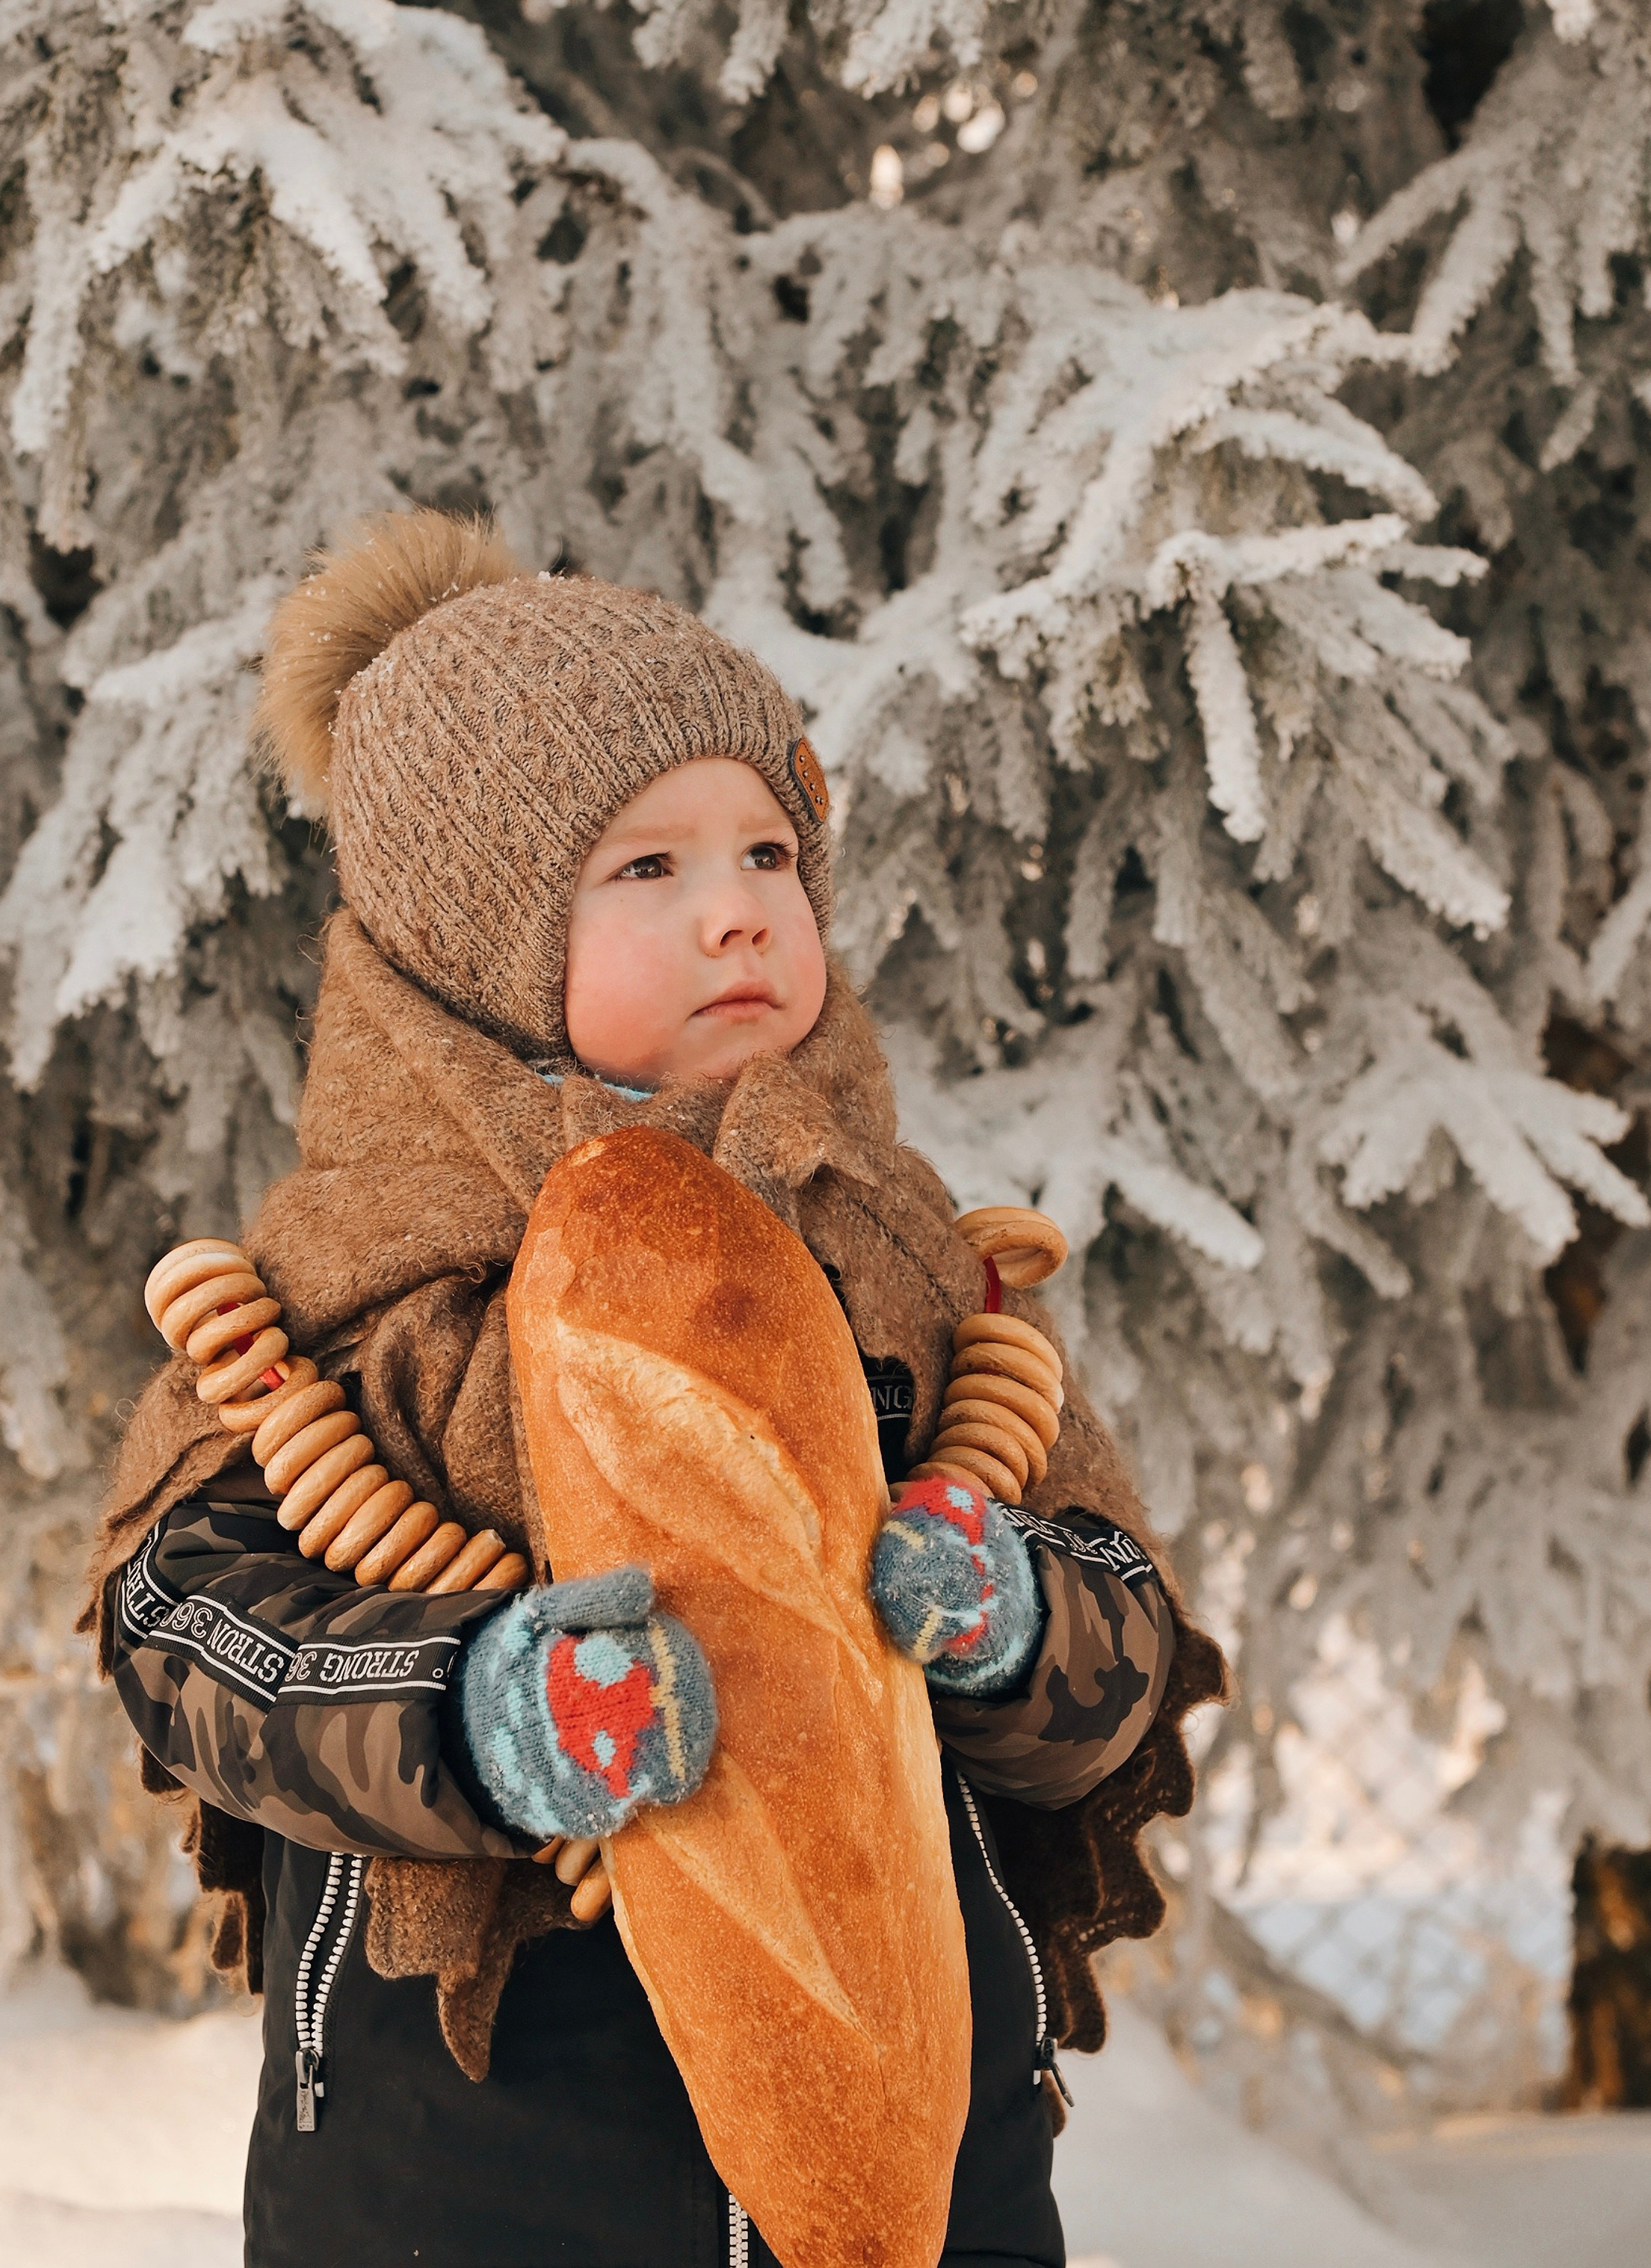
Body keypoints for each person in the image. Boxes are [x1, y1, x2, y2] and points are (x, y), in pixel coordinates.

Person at [84, 513, 1223, 2268]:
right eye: (645, 866)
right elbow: (187, 1637)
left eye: (769, 849)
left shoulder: (902, 1258)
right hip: (463, 2183)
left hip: (927, 2175)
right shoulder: (345, 1295)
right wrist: (470, 1710)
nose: (737, 907)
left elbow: (1121, 1656)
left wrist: (1014, 1620)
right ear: (476, 927)